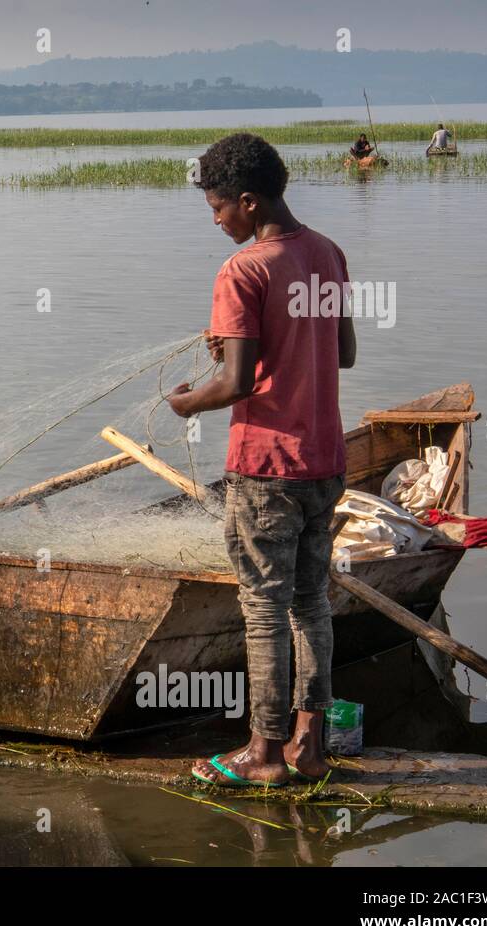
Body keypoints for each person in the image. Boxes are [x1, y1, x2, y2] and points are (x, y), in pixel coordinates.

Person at [166, 132, 356, 788]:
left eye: (218, 208)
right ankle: (311, 744)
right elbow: (341, 352)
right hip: (326, 461)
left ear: (248, 203)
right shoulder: (328, 254)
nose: (216, 220)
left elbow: (240, 384)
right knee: (311, 602)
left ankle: (263, 754)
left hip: (267, 467)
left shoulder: (243, 270)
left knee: (264, 605)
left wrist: (189, 402)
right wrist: (236, 351)